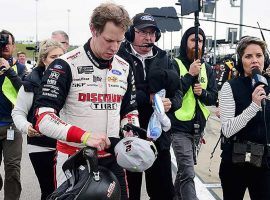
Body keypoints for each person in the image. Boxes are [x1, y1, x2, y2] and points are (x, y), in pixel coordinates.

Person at [33, 3, 138, 200]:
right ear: (93, 29)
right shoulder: (64, 65)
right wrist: (84, 136)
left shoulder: (124, 67)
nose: (114, 47)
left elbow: (129, 111)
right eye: (108, 40)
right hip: (75, 159)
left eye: (119, 41)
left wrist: (132, 134)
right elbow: (43, 118)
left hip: (114, 160)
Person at [117, 13, 179, 200]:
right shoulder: (119, 56)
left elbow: (178, 92)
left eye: (152, 33)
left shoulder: (166, 58)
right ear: (130, 33)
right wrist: (148, 98)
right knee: (128, 194)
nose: (148, 37)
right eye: (143, 32)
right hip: (128, 136)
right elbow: (120, 93)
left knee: (163, 194)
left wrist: (171, 103)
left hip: (158, 139)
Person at [12, 39, 65, 200]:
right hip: (41, 144)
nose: (57, 61)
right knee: (49, 191)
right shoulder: (30, 83)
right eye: (53, 57)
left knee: (68, 191)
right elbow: (18, 112)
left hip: (67, 143)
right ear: (43, 59)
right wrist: (26, 127)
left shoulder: (72, 80)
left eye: (61, 57)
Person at [219, 36, 270, 200]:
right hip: (235, 162)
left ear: (265, 59)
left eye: (259, 55)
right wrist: (254, 105)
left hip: (265, 163)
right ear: (240, 61)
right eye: (248, 56)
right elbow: (227, 130)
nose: (255, 60)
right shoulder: (230, 86)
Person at [170, 27, 218, 200]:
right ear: (185, 43)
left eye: (200, 41)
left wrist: (202, 93)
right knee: (189, 173)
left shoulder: (208, 69)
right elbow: (173, 92)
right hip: (179, 128)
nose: (196, 44)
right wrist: (190, 75)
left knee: (184, 170)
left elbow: (213, 98)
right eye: (193, 40)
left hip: (198, 129)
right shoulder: (175, 64)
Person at [0, 29, 26, 200]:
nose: (5, 47)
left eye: (8, 43)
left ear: (14, 46)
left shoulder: (20, 67)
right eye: (2, 44)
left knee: (12, 169)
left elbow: (25, 91)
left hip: (11, 125)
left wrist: (9, 70)